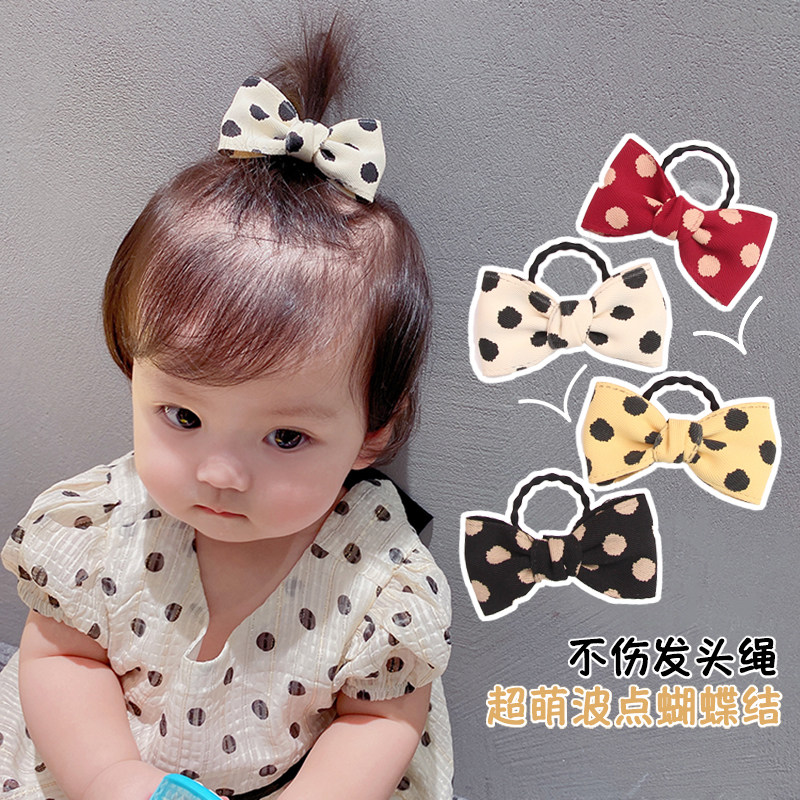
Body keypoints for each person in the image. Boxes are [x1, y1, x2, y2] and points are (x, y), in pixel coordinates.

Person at [0, 20, 452, 800]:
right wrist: (110, 775)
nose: (220, 473)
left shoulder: (377, 579)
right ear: (133, 373)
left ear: (373, 431)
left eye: (286, 436)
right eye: (182, 417)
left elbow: (379, 719)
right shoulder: (97, 528)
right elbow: (61, 655)